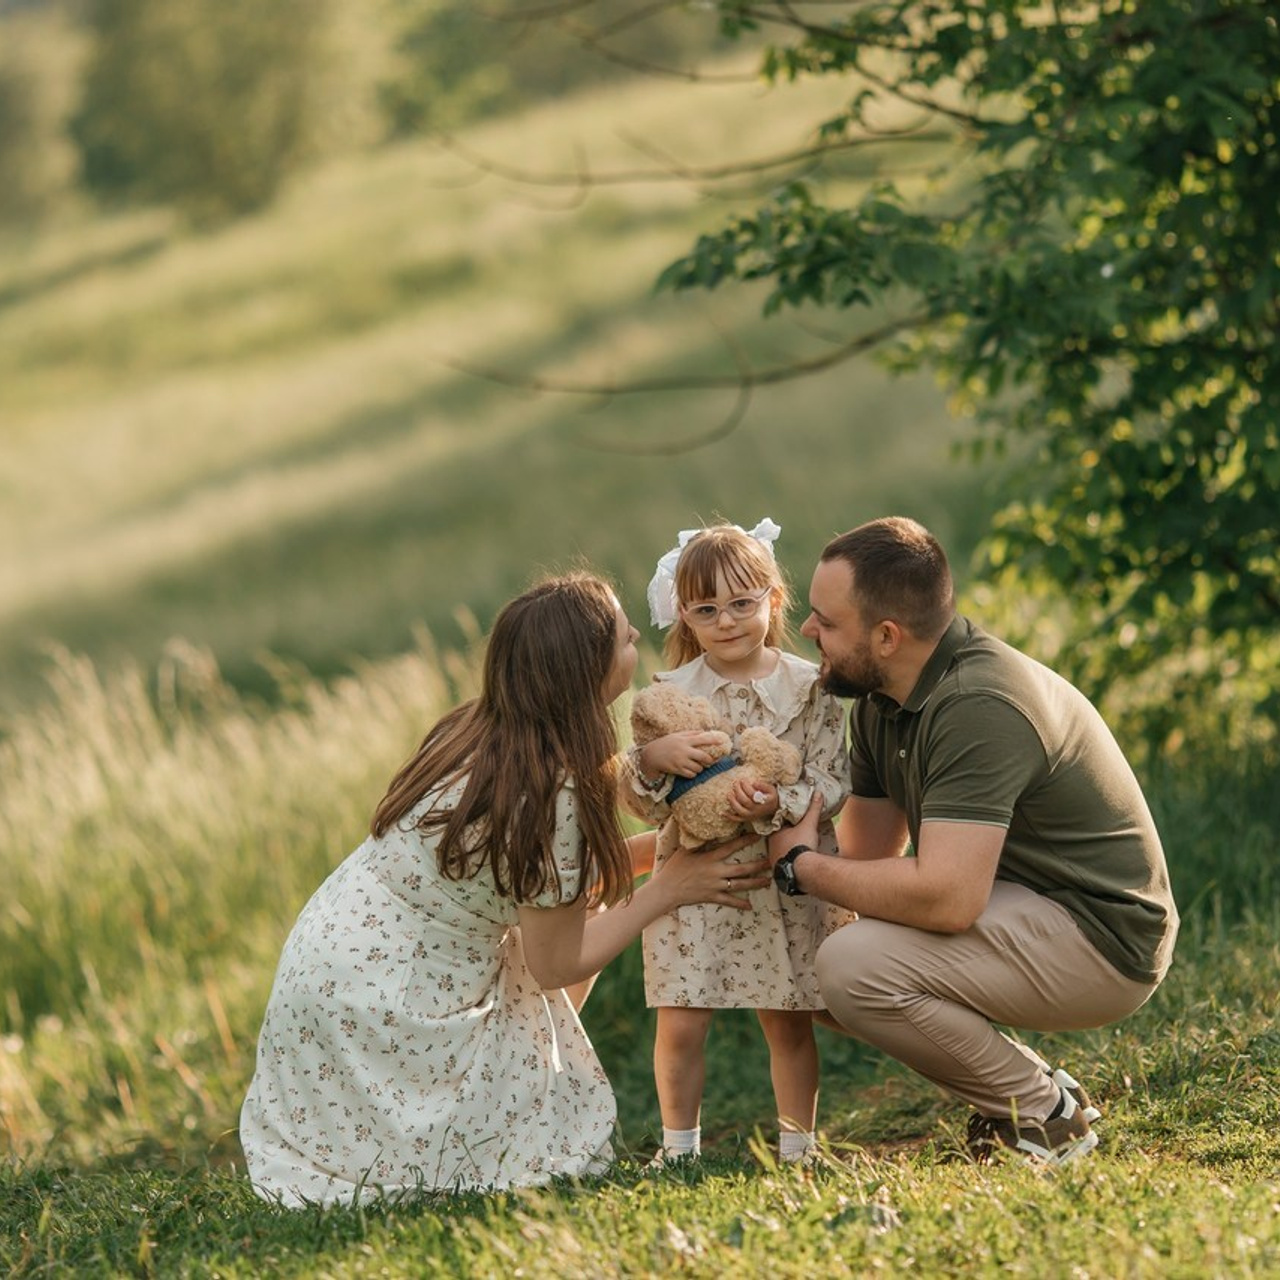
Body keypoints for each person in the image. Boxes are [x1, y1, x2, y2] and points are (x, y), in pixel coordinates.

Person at [239, 572, 769, 1205]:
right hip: (386, 1003)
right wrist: (669, 888)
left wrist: (656, 841)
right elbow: (554, 962)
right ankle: (503, 1094)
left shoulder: (481, 730)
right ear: (589, 672)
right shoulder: (553, 794)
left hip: (330, 959)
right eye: (625, 639)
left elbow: (545, 883)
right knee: (532, 1142)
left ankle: (518, 1065)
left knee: (581, 906)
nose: (636, 638)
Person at [768, 516, 1179, 1166]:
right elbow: (871, 870)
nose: (808, 631)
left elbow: (947, 899)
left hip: (1103, 937)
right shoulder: (882, 701)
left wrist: (801, 866)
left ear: (886, 635)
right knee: (814, 962)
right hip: (1020, 908)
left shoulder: (979, 705)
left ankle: (1044, 1116)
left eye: (826, 620)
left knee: (851, 967)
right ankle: (1025, 1097)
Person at [620, 519, 852, 1166]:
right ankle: (679, 1150)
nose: (727, 622)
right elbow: (640, 800)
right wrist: (658, 759)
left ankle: (798, 1150)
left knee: (786, 1017)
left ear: (775, 599)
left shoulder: (811, 689)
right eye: (707, 609)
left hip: (778, 876)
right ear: (684, 617)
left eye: (743, 603)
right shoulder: (668, 698)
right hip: (695, 876)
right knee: (682, 1015)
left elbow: (834, 776)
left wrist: (783, 801)